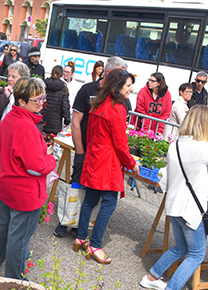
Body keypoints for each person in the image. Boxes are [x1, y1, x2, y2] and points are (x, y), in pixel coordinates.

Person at [140, 105, 208, 290]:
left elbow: (168, 177)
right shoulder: (207, 148)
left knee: (181, 248)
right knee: (196, 254)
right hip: (191, 209)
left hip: (173, 206)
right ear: (205, 124)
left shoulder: (175, 145)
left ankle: (152, 277)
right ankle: (171, 287)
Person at [0, 77, 56, 279]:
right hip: (23, 191)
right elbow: (37, 166)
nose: (42, 102)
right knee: (19, 238)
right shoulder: (27, 127)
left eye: (43, 98)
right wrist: (51, 160)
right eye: (37, 99)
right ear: (22, 101)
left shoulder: (10, 119)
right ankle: (15, 280)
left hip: (5, 185)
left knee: (1, 228)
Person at [54, 56, 128, 237]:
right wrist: (80, 150)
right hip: (85, 149)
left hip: (102, 155)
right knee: (76, 185)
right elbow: (76, 121)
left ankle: (81, 227)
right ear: (109, 73)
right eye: (120, 74)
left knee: (94, 194)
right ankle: (65, 222)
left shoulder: (120, 97)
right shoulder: (87, 90)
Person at [74, 70, 140, 264]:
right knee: (109, 202)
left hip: (94, 157)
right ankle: (95, 245)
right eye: (128, 85)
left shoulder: (98, 104)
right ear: (117, 86)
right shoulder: (117, 108)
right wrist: (131, 163)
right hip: (107, 161)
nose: (131, 89)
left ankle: (81, 237)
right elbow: (121, 143)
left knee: (91, 199)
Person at [0, 62, 30, 225]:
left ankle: (4, 214)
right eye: (9, 75)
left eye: (13, 76)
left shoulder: (26, 99)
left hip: (14, 144)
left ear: (23, 79)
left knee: (8, 179)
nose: (9, 79)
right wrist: (5, 96)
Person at [40, 65, 70, 134]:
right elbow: (65, 107)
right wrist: (67, 120)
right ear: (61, 74)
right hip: (56, 123)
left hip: (42, 119)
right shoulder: (63, 88)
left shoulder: (43, 84)